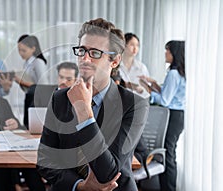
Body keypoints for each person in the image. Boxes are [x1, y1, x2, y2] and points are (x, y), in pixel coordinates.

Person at [37, 18, 149, 191]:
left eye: (95, 53)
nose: (85, 59)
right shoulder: (60, 98)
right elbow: (45, 160)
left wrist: (84, 113)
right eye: (82, 51)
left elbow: (108, 173)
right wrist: (79, 186)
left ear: (114, 61)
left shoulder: (134, 105)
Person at [139, 40, 185, 191]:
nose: (165, 53)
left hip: (171, 116)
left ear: (175, 53)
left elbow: (165, 100)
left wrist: (149, 90)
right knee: (169, 153)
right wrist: (152, 84)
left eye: (168, 51)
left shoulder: (173, 73)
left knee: (168, 155)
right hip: (178, 116)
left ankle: (168, 188)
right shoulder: (180, 72)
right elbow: (167, 94)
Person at [23, 61, 78, 128]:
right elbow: (28, 122)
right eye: (61, 77)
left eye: (68, 79)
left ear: (75, 80)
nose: (63, 82)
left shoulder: (80, 97)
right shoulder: (42, 94)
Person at [118, 33, 150, 98]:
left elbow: (147, 89)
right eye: (132, 45)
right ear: (124, 45)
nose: (135, 48)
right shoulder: (116, 65)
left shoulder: (141, 67)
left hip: (138, 102)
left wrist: (141, 90)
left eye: (137, 45)